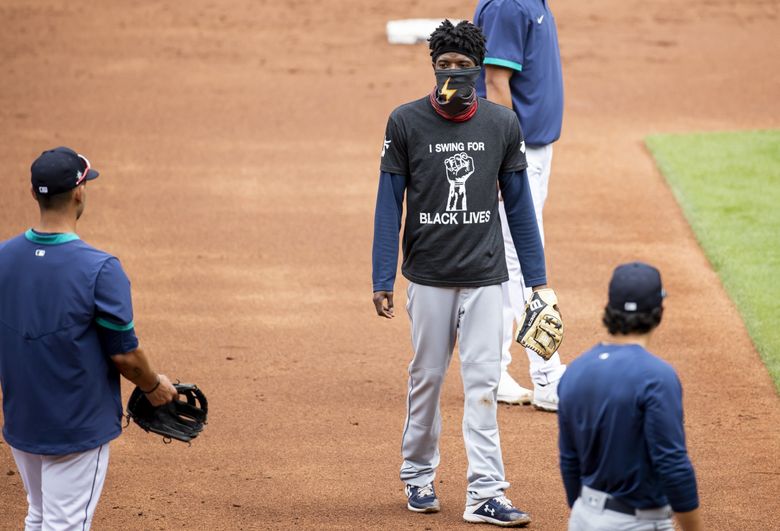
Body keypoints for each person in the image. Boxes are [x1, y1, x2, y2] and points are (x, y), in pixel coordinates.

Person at [372, 20, 562, 527]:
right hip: (429, 278)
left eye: (462, 67)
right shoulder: (405, 122)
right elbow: (389, 204)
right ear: (432, 67)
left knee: (481, 385)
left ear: (478, 71)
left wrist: (538, 284)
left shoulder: (501, 124)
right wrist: (381, 276)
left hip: (484, 278)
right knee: (427, 380)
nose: (453, 73)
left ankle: (485, 492)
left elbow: (520, 210)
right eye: (444, 66)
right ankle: (417, 476)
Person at [0, 147, 179, 530]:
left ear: (35, 194)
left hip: (22, 418)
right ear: (80, 192)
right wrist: (154, 387)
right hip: (76, 425)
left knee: (41, 514)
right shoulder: (100, 269)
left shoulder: (4, 257)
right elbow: (125, 356)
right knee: (65, 523)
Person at [557, 262, 703, 531]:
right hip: (637, 523)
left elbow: (569, 460)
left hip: (582, 517)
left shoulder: (573, 371)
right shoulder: (657, 376)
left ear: (608, 311)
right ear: (659, 313)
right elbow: (672, 464)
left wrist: (586, 513)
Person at [474, 0, 566, 410]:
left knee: (513, 260)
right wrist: (506, 157)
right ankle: (547, 377)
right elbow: (495, 84)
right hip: (518, 155)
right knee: (523, 261)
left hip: (531, 152)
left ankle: (494, 370)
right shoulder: (510, 5)